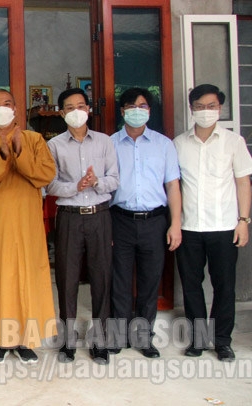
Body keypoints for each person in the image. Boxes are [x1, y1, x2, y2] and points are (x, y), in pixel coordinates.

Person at [0, 88, 56, 364]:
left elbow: (45, 175)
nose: (1, 108)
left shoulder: (34, 139)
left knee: (28, 277)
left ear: (16, 108)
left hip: (27, 223)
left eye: (7, 103)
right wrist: (2, 157)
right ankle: (2, 341)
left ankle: (27, 341)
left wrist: (18, 151)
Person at [173, 84, 252, 362]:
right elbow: (174, 186)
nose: (206, 111)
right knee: (192, 285)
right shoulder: (179, 144)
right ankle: (198, 339)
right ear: (192, 108)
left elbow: (243, 182)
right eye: (200, 106)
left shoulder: (234, 142)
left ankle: (222, 341)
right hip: (189, 227)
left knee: (224, 285)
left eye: (212, 106)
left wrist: (243, 221)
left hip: (224, 226)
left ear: (220, 108)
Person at [46, 87, 119, 365]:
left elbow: (115, 178)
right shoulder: (54, 145)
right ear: (61, 112)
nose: (76, 111)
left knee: (102, 277)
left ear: (88, 109)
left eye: (80, 105)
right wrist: (74, 186)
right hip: (69, 217)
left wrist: (96, 181)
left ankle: (100, 340)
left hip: (100, 215)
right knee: (67, 279)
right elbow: (50, 185)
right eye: (69, 107)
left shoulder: (103, 142)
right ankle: (67, 341)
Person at [108, 87, 182, 359]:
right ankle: (117, 335)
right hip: (120, 220)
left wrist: (175, 224)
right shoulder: (110, 144)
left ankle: (143, 336)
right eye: (131, 106)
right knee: (120, 281)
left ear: (149, 111)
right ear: (122, 111)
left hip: (155, 221)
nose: (137, 110)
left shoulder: (164, 145)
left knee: (150, 282)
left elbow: (173, 186)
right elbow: (105, 189)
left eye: (142, 106)